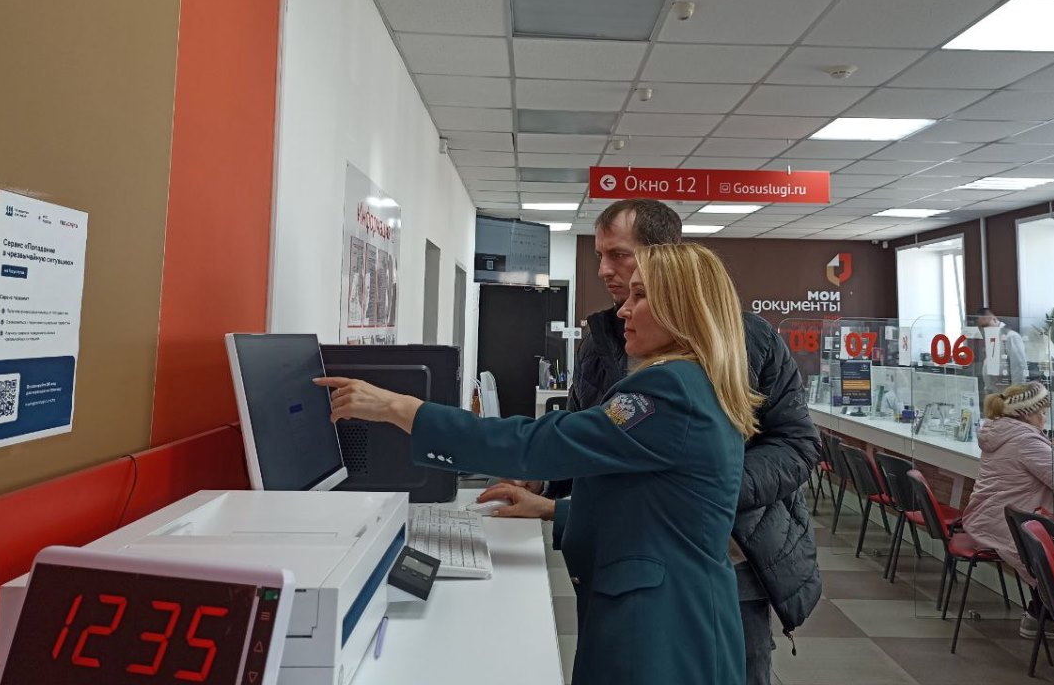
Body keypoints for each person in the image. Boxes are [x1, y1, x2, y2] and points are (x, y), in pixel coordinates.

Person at [317, 244, 755, 685]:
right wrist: (550, 510)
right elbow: (661, 508)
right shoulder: (694, 384)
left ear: (681, 309)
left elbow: (541, 445)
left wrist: (402, 409)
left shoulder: (670, 389)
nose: (623, 309)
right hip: (675, 615)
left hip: (664, 629)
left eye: (640, 296)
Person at [481, 199, 821, 684]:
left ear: (664, 256)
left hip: (728, 559)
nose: (604, 270)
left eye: (618, 255)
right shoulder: (604, 337)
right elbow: (585, 432)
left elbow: (798, 445)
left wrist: (708, 490)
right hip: (622, 553)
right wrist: (542, 478)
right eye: (600, 256)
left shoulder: (753, 341)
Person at [960, 381, 1054, 638]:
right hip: (1006, 525)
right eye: (1041, 412)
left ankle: (1039, 615)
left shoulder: (1000, 431)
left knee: (1053, 551)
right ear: (1026, 414)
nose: (1044, 418)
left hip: (989, 517)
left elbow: (1021, 467)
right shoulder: (1025, 440)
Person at [975, 307, 1028, 390]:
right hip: (994, 391)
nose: (984, 329)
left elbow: (1019, 367)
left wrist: (1015, 392)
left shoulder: (1011, 336)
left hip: (1008, 391)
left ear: (994, 319)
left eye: (986, 325)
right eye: (981, 327)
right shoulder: (991, 337)